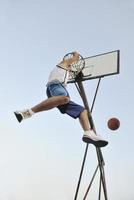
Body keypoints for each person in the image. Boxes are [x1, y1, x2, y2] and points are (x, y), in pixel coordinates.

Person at [14, 52, 108, 147]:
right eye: (71, 65)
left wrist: (76, 72)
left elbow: (70, 71)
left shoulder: (63, 70)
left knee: (82, 111)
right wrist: (76, 54)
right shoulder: (64, 64)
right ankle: (27, 112)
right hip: (56, 86)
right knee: (65, 98)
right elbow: (76, 57)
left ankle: (88, 133)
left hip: (55, 89)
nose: (71, 67)